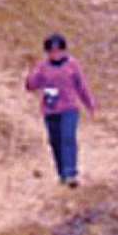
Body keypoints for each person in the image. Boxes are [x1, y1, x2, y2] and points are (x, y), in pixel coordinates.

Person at [24, 33, 97, 187]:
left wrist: (90, 104)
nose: (55, 54)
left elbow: (81, 86)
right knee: (55, 141)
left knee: (68, 138)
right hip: (50, 110)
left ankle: (71, 172)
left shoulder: (72, 65)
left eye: (58, 51)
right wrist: (31, 74)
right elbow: (31, 86)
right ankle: (62, 174)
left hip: (69, 108)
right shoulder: (42, 67)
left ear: (64, 51)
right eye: (51, 51)